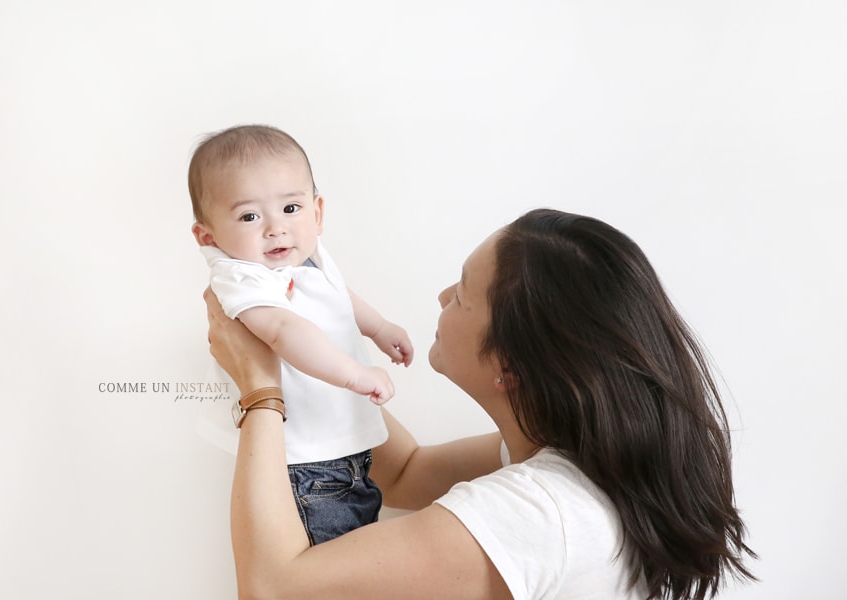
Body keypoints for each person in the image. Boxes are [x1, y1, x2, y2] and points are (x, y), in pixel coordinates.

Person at [205, 208, 757, 599]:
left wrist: (260, 390)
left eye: (464, 293)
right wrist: (322, 362)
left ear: (510, 366)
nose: (443, 297)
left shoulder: (538, 511)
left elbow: (274, 589)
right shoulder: (575, 466)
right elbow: (402, 471)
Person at [189, 125, 414, 544]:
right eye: (249, 216)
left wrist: (379, 327)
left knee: (354, 562)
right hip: (307, 468)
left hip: (342, 453)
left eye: (291, 208)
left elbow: (337, 296)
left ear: (317, 211)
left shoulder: (302, 255)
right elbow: (282, 329)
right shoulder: (240, 276)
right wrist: (353, 374)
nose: (276, 228)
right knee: (328, 573)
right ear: (208, 235)